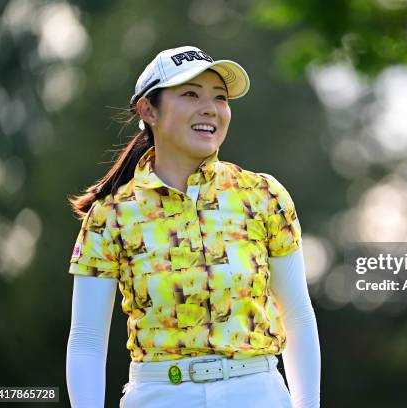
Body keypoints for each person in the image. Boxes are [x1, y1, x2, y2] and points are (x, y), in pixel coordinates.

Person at [65, 45, 320, 407]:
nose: (210, 108)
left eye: (220, 97)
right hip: (158, 395)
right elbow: (87, 340)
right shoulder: (111, 215)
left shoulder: (263, 195)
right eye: (190, 94)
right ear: (148, 110)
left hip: (257, 393)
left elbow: (297, 315)